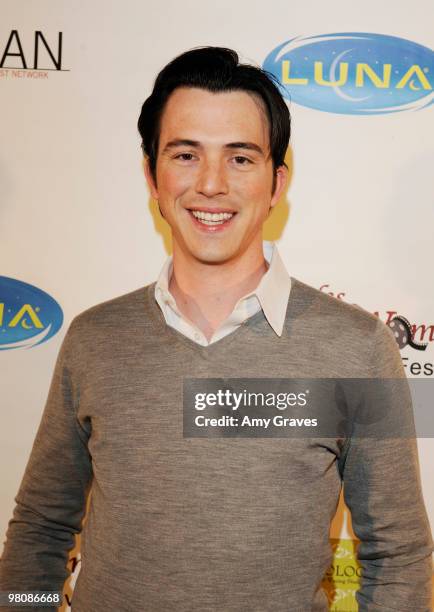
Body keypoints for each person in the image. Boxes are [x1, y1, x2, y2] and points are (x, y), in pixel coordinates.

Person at [0, 46, 432, 611]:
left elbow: (397, 556)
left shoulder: (356, 348)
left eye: (240, 158)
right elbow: (40, 527)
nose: (210, 184)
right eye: (185, 154)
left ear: (276, 184)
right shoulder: (94, 339)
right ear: (152, 175)